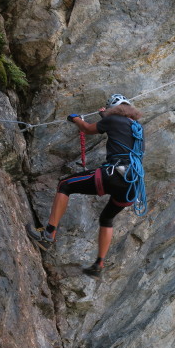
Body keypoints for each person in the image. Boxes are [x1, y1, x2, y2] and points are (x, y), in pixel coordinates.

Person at [26, 93, 145, 277]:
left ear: (114, 109)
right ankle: (99, 263)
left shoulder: (113, 120)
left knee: (65, 185)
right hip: (131, 185)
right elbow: (119, 132)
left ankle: (48, 235)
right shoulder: (137, 129)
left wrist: (75, 118)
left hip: (113, 174)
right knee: (107, 219)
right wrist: (105, 118)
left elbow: (87, 129)